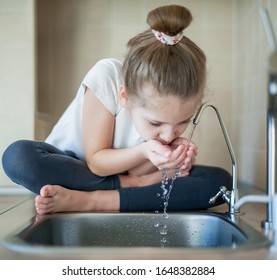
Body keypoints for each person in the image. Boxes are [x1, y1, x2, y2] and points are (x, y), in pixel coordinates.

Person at [2, 5, 231, 215]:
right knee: (18, 157)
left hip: (110, 180)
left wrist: (168, 161)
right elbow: (97, 163)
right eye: (155, 123)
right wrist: (143, 162)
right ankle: (119, 194)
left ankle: (90, 201)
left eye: (183, 121)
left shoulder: (165, 130)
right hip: (72, 168)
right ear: (125, 96)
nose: (170, 134)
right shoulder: (107, 76)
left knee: (219, 182)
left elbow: (135, 171)